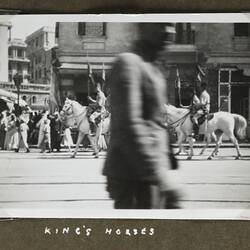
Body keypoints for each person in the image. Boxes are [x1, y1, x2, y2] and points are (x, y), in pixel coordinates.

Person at [103, 23, 181, 209]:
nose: (169, 31)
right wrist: (159, 176)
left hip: (151, 174)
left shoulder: (153, 67)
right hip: (134, 176)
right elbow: (130, 125)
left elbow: (156, 120)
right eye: (163, 24)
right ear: (143, 27)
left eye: (172, 25)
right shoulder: (128, 63)